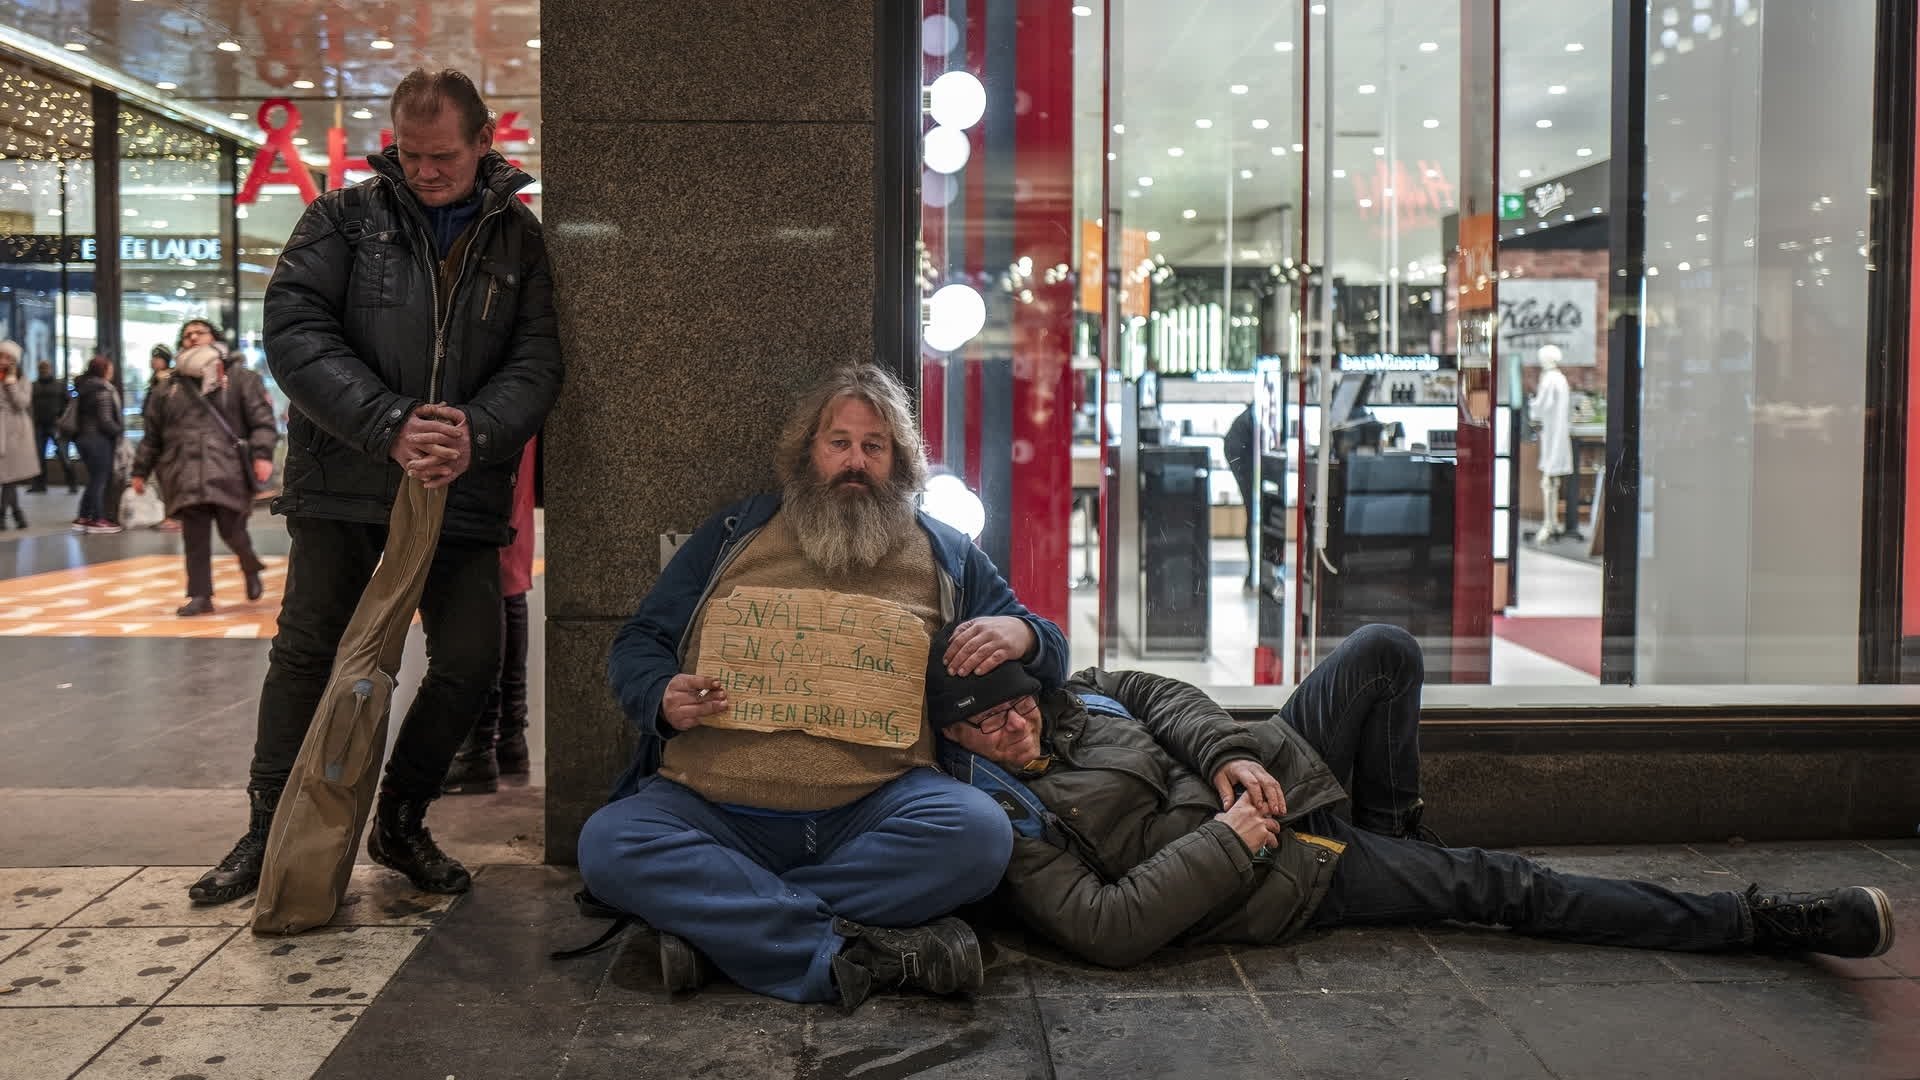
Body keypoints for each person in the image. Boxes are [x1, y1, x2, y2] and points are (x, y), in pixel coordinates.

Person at [929, 623, 1897, 969]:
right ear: (955, 741)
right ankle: (1757, 922)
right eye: (988, 723)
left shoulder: (1068, 700)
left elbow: (1151, 691)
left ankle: (1396, 838)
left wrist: (1225, 756)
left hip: (1275, 775)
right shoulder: (1011, 820)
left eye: (1017, 702)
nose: (1015, 723)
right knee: (1504, 887)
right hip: (1278, 869)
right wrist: (1234, 836)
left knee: (1383, 653)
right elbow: (1106, 926)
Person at [186, 67, 564, 906]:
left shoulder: (518, 239)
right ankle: (265, 833)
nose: (425, 171)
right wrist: (389, 423)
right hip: (345, 479)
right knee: (307, 653)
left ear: (483, 144)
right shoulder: (340, 218)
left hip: (459, 486)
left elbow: (537, 359)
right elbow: (294, 333)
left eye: (443, 157)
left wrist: (475, 432)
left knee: (471, 657)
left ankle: (400, 820)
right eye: (410, 153)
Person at [575, 364, 1067, 1009]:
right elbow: (639, 641)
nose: (855, 462)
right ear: (808, 452)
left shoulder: (946, 553)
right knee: (609, 845)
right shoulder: (733, 536)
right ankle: (859, 950)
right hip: (713, 809)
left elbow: (1051, 648)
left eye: (874, 446)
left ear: (899, 462)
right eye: (839, 443)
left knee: (978, 837)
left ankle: (723, 931)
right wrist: (661, 694)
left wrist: (1022, 633)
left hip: (875, 810)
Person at [131, 339, 278, 616]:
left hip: (228, 469)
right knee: (194, 537)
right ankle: (200, 595)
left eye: (200, 332)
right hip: (184, 470)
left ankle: (250, 565)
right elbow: (152, 436)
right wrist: (140, 470)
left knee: (233, 531)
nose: (193, 338)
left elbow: (262, 421)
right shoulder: (167, 387)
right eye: (188, 334)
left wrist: (262, 454)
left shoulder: (240, 379)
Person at [442, 434, 539, 794]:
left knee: (486, 566)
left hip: (487, 433)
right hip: (511, 429)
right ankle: (506, 739)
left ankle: (479, 747)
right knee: (506, 574)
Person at [70, 355, 124, 535]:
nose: (112, 371)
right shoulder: (103, 390)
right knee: (100, 480)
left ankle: (83, 517)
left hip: (83, 439)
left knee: (94, 479)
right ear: (104, 370)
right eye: (110, 367)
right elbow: (105, 420)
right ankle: (98, 519)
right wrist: (119, 431)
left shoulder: (84, 387)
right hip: (98, 440)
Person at [0, 341, 36, 528]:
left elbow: (22, 403)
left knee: (9, 475)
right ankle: (17, 514)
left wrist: (11, 383)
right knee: (7, 475)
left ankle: (3, 516)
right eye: (1, 356)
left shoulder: (22, 379)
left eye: (8, 357)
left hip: (15, 432)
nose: (3, 360)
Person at [1223, 403, 1256, 593]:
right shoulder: (1253, 416)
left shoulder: (1251, 415)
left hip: (1241, 456)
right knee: (1253, 514)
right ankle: (1253, 574)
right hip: (1241, 457)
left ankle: (1254, 574)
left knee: (1253, 514)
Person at [30, 360, 75, 494]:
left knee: (63, 455)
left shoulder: (59, 385)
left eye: (46, 368)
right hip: (39, 424)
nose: (44, 370)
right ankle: (39, 485)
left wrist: (62, 418)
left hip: (55, 425)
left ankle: (72, 483)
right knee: (39, 456)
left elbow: (69, 403)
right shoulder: (34, 386)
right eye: (41, 368)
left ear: (50, 369)